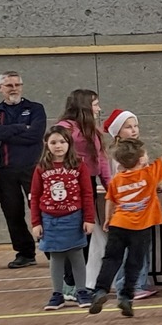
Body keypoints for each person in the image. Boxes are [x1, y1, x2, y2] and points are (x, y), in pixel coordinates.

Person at [89, 128, 162, 318]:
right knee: (134, 263)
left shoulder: (117, 179)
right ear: (140, 159)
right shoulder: (149, 174)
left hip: (118, 225)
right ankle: (126, 297)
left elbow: (110, 200)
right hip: (140, 228)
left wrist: (108, 218)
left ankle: (100, 290)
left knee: (111, 260)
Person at [30, 127, 96, 310]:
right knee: (56, 257)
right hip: (50, 219)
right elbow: (35, 196)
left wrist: (88, 219)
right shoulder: (41, 168)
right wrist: (36, 222)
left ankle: (81, 291)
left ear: (69, 143)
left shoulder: (79, 165)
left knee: (76, 255)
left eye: (62, 142)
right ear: (46, 144)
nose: (58, 146)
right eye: (53, 142)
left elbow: (87, 194)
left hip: (73, 218)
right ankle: (57, 294)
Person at [0, 71, 45, 269]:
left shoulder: (35, 109)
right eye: (9, 85)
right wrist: (21, 128)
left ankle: (52, 248)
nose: (14, 89)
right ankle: (25, 253)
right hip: (5, 170)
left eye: (17, 85)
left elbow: (35, 135)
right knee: (12, 212)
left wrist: (5, 133)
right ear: (0, 88)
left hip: (31, 168)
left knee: (41, 209)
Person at [55, 89, 109, 302]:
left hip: (88, 183)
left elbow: (101, 160)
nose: (99, 109)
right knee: (72, 234)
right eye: (95, 104)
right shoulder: (65, 128)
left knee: (86, 232)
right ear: (84, 106)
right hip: (68, 183)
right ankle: (69, 283)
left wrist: (110, 186)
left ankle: (77, 282)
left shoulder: (92, 130)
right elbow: (56, 155)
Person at [101, 110, 157, 299]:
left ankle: (137, 283)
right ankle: (129, 286)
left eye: (135, 126)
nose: (134, 130)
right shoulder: (121, 158)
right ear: (117, 132)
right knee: (129, 252)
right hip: (129, 213)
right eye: (128, 127)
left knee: (138, 251)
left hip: (135, 213)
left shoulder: (135, 152)